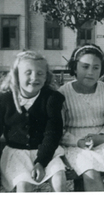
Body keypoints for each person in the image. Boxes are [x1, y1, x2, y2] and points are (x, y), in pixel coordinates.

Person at [59, 44, 104, 191]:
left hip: (102, 140)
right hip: (74, 144)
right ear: (75, 68)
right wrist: (78, 141)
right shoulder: (62, 94)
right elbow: (58, 128)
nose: (90, 72)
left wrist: (102, 137)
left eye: (95, 68)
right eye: (85, 67)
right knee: (91, 173)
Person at [0, 51, 66, 192]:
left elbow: (53, 133)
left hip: (46, 151)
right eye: (28, 73)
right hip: (17, 153)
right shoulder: (5, 99)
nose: (34, 78)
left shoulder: (51, 98)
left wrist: (41, 162)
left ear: (46, 76)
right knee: (24, 185)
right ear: (16, 75)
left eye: (40, 73)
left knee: (59, 180)